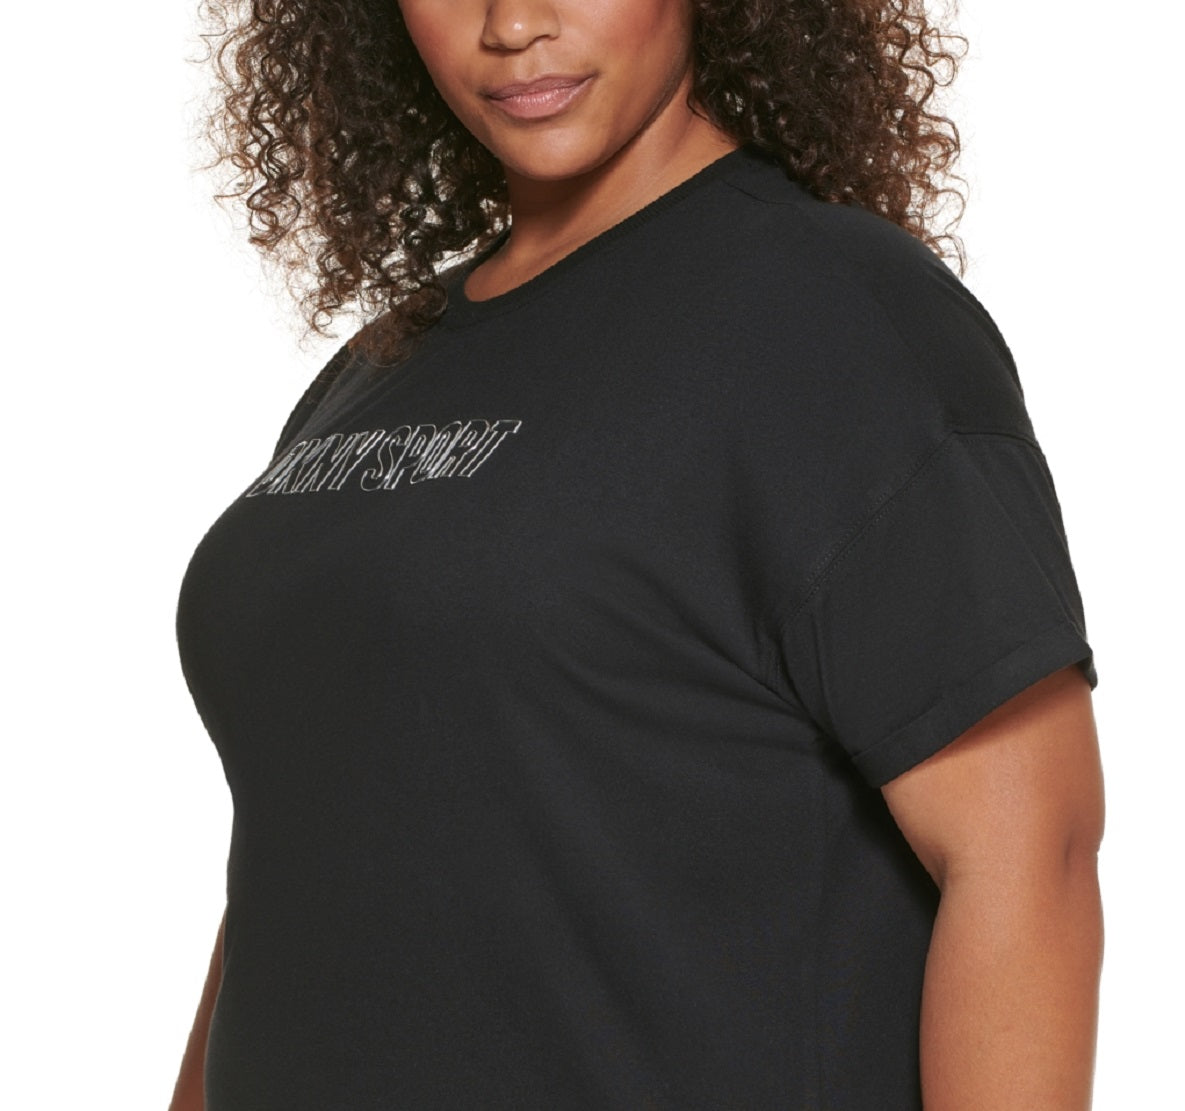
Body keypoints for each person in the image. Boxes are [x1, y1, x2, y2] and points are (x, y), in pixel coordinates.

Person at [170, 1, 1104, 1108]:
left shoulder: (838, 316)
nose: (513, 22)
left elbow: (1026, 857)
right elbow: (301, 863)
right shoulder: (383, 365)